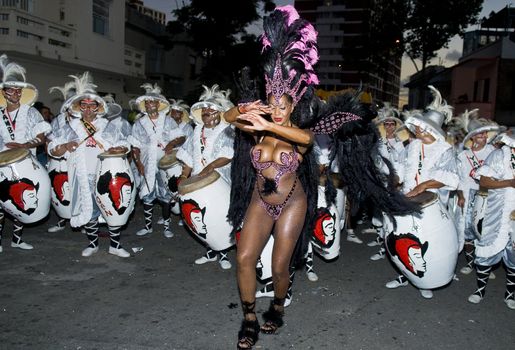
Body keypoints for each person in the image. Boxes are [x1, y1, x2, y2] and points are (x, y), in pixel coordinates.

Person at [226, 7, 415, 349]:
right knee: (243, 258)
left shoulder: (298, 130)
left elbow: (307, 142)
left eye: (283, 104)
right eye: (272, 102)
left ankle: (279, 306)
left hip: (290, 202)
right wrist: (242, 110)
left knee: (280, 266)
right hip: (260, 199)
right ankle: (249, 317)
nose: (277, 108)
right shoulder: (257, 127)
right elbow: (229, 118)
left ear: (292, 102)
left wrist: (269, 124)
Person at [385, 86, 459, 299]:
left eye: (422, 126)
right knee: (402, 240)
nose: (417, 128)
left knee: (424, 243)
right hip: (406, 199)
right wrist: (394, 181)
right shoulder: (413, 145)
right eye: (417, 125)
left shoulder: (445, 150)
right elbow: (400, 166)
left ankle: (425, 281)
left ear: (433, 129)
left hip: (431, 204)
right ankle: (404, 275)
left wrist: (423, 186)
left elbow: (452, 179)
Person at [48, 72, 132, 258]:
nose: (87, 109)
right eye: (83, 106)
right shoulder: (71, 127)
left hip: (107, 174)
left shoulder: (107, 126)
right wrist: (65, 146)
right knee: (90, 210)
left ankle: (115, 245)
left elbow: (125, 143)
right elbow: (53, 149)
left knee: (112, 209)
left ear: (98, 107)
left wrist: (118, 147)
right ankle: (93, 244)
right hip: (82, 175)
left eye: (91, 105)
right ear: (78, 107)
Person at [176, 84, 235, 270]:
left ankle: (223, 253)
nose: (206, 114)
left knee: (220, 215)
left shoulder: (227, 131)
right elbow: (187, 156)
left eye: (210, 111)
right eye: (204, 111)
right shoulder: (196, 131)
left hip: (220, 180)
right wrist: (184, 175)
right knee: (203, 217)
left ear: (219, 113)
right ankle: (211, 252)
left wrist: (210, 167)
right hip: (198, 180)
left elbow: (227, 155)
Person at [0, 54, 51, 251]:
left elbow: (41, 137)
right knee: (2, 204)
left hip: (25, 162)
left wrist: (25, 145)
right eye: (11, 90)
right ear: (4, 93)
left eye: (18, 90)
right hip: (2, 164)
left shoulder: (31, 112)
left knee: (21, 201)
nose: (16, 93)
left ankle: (17, 239)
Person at [129, 84, 185, 239]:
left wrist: (171, 144)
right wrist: (138, 162)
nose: (148, 105)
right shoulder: (139, 123)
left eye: (151, 102)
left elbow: (181, 136)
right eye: (146, 103)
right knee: (147, 194)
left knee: (166, 195)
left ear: (159, 104)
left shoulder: (168, 121)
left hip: (166, 163)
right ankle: (148, 226)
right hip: (147, 162)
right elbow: (135, 145)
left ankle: (167, 226)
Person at [467, 132, 515, 310]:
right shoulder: (499, 155)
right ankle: (480, 290)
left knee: (514, 258)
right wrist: (509, 183)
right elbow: (485, 182)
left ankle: (510, 294)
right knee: (485, 253)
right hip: (496, 213)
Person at [454, 110, 502, 275]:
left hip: (488, 196)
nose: (483, 136)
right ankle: (471, 262)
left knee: (485, 231)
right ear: (472, 137)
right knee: (468, 232)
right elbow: (459, 180)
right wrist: (460, 196)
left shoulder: (494, 152)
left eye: (484, 133)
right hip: (469, 195)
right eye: (479, 134)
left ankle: (484, 263)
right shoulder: (463, 156)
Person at [368, 104, 406, 261]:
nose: (389, 126)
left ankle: (386, 247)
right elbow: (375, 161)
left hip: (394, 184)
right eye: (386, 124)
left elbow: (403, 164)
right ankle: (380, 239)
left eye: (392, 124)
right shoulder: (378, 142)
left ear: (396, 126)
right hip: (380, 181)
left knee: (390, 215)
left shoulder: (401, 144)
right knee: (380, 212)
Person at [46, 79, 77, 233]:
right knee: (60, 190)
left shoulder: (83, 120)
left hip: (76, 161)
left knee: (78, 191)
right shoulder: (57, 120)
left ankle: (83, 222)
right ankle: (61, 221)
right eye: (69, 105)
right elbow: (49, 139)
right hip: (59, 161)